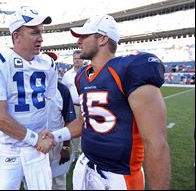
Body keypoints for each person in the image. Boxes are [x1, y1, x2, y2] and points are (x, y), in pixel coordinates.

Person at [39, 14, 171, 189]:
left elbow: (156, 143)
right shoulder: (82, 77)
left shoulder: (130, 70)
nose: (79, 41)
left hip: (119, 175)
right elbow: (86, 120)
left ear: (102, 39)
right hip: (87, 166)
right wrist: (56, 135)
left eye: (85, 36)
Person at [0, 6, 57, 190]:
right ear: (17, 36)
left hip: (39, 148)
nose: (41, 38)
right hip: (12, 149)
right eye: (34, 32)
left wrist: (46, 134)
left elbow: (48, 104)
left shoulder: (48, 64)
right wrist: (36, 139)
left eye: (42, 32)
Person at [44, 51, 76, 190]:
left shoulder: (61, 89)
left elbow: (69, 121)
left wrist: (65, 146)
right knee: (37, 181)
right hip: (33, 141)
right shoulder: (28, 89)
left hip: (55, 141)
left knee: (57, 181)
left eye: (52, 63)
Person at [61, 49, 84, 161]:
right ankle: (76, 152)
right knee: (74, 129)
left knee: (88, 129)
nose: (77, 60)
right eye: (75, 58)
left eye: (79, 58)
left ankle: (86, 153)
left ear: (83, 59)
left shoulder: (88, 72)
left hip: (86, 106)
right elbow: (64, 91)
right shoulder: (67, 74)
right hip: (73, 105)